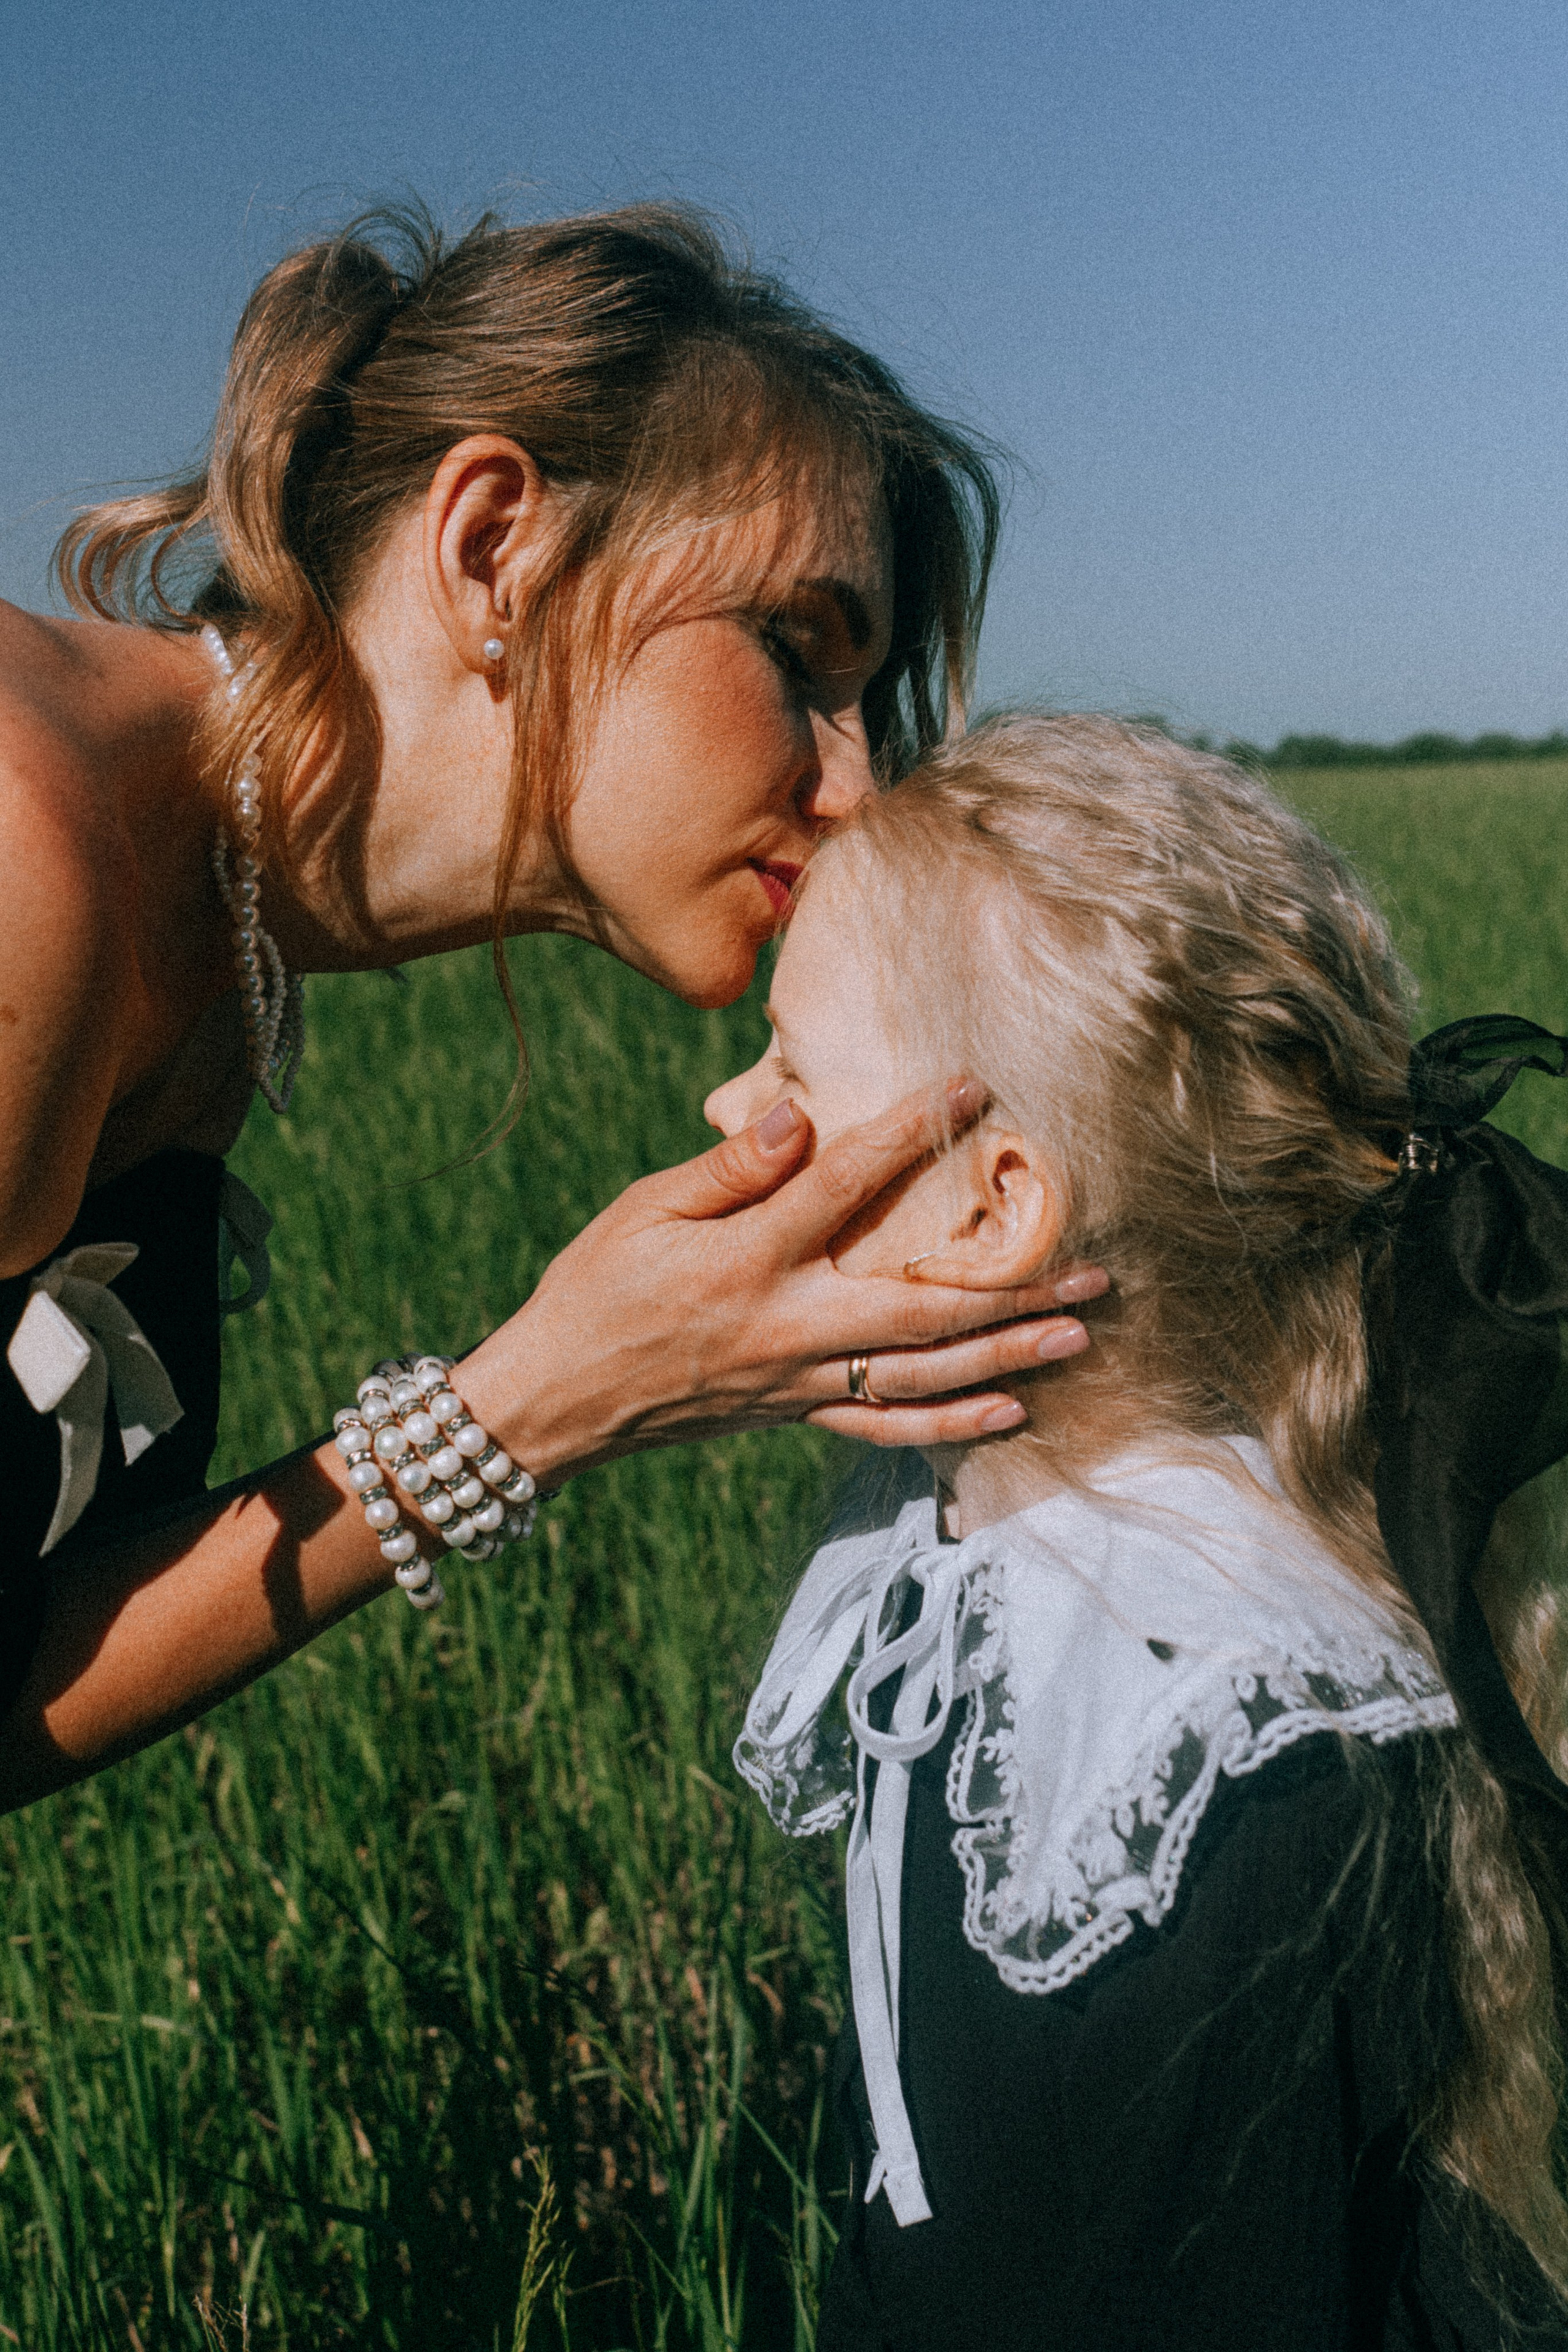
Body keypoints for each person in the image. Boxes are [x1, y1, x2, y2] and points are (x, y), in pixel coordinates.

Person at [0, 205, 1104, 1815]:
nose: (859, 789)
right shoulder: (33, 859)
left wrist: (528, 1414)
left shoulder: (221, 948)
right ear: (492, 548)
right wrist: (527, 1402)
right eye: (797, 651)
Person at [722, 715, 1568, 2348]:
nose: (728, 1098)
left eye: (792, 1069)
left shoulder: (1209, 1755)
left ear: (997, 1208)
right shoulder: (978, 1544)